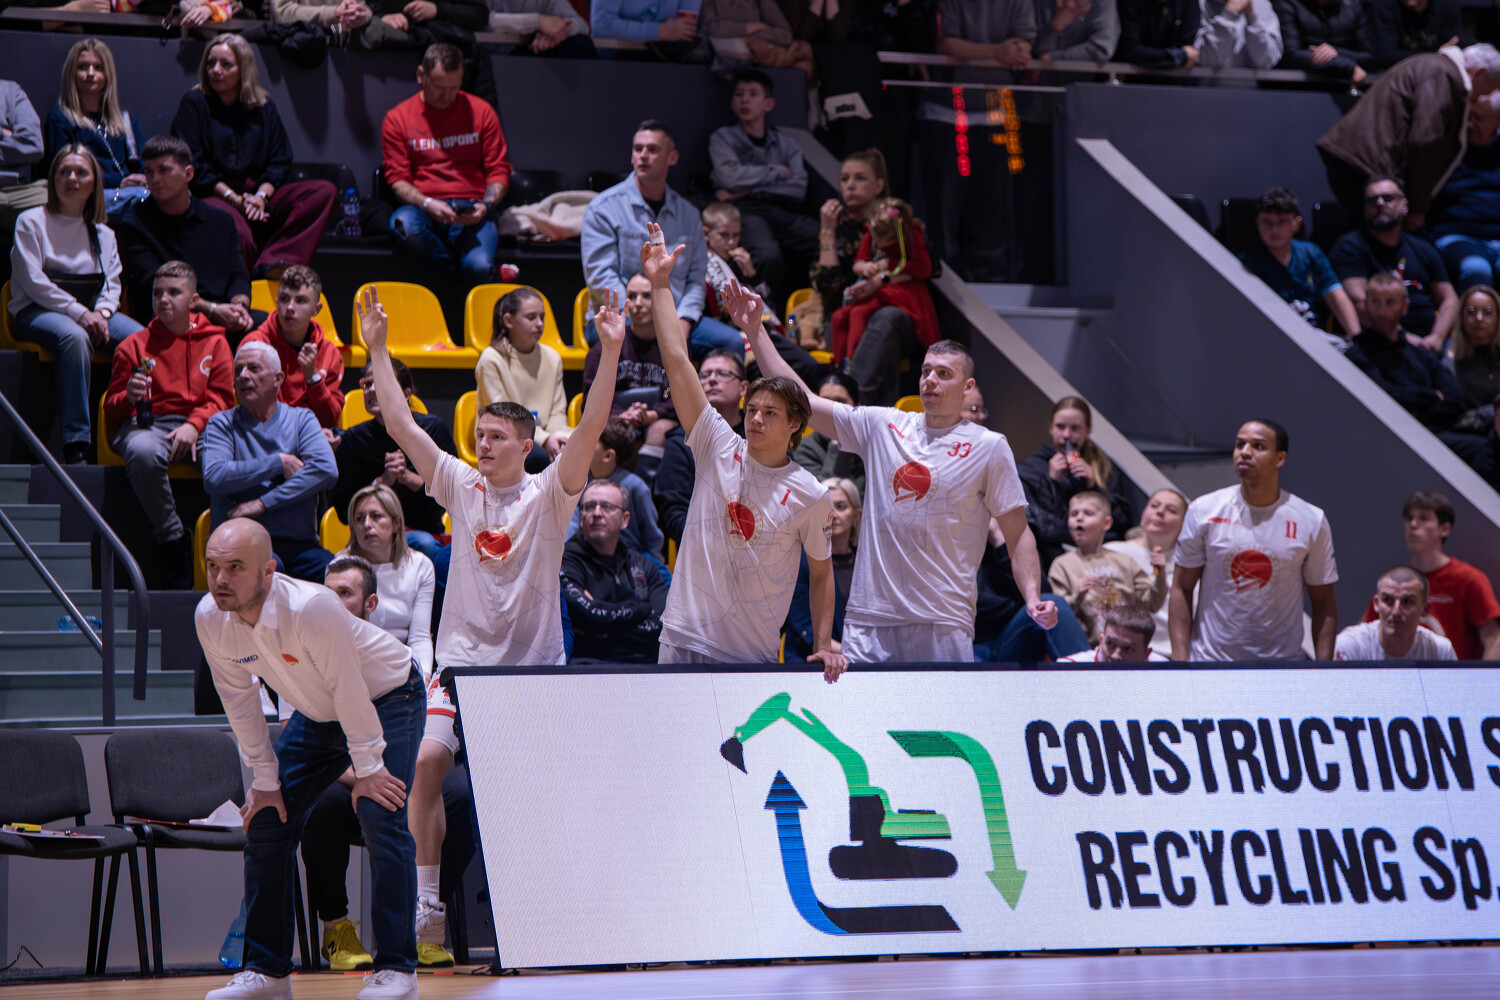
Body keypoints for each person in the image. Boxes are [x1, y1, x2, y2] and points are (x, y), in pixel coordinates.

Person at [354, 275, 623, 969]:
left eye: (497, 436)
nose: (484, 443)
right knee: (425, 763)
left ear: (527, 443)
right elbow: (401, 425)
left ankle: (547, 912)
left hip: (531, 672)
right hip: (462, 665)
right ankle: (429, 905)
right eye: (479, 434)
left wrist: (610, 352)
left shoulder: (551, 493)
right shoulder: (458, 483)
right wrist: (378, 349)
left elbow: (592, 425)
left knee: (533, 798)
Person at [724, 279, 1058, 662]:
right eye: (926, 371)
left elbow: (1017, 532)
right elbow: (806, 401)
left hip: (942, 620)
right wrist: (755, 330)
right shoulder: (884, 425)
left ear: (967, 387)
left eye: (943, 374)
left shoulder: (989, 446)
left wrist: (1032, 597)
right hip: (871, 619)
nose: (930, 380)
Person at [196, 520, 423, 1000]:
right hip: (319, 712)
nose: (220, 579)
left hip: (388, 694)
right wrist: (265, 780)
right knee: (266, 818)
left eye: (235, 567)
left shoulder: (311, 607)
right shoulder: (210, 618)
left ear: (268, 571)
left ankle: (398, 969)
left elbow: (349, 687)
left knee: (380, 812)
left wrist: (369, 769)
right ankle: (268, 971)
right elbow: (239, 701)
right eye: (212, 566)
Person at [641, 226, 842, 674]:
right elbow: (677, 360)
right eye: (752, 410)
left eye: (770, 413)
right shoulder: (716, 443)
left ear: (795, 424)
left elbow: (822, 572)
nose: (755, 419)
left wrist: (824, 643)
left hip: (749, 655)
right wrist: (660, 285)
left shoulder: (810, 493)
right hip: (683, 635)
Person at [300, 553, 462, 976]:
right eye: (327, 594)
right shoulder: (302, 650)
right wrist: (364, 778)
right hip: (346, 775)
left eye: (345, 594)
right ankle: (336, 927)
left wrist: (389, 778)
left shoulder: (393, 656)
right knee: (321, 807)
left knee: (457, 798)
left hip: (395, 775)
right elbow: (297, 742)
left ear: (370, 604)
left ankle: (424, 919)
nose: (333, 603)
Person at [8, 144, 143, 464]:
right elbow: (34, 282)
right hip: (35, 310)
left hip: (91, 312)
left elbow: (111, 285)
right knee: (74, 337)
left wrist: (102, 313)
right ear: (53, 180)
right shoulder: (30, 221)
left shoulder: (103, 233)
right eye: (64, 172)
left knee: (140, 339)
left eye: (81, 172)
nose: (72, 178)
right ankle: (76, 443)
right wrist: (82, 314)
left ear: (94, 182)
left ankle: (139, 423)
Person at [103, 261, 234, 585]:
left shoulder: (216, 342)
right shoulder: (133, 345)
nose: (163, 299)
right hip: (148, 424)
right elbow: (112, 411)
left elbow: (223, 399)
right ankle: (173, 539)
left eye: (174, 292)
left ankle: (227, 543)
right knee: (143, 451)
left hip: (202, 425)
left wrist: (194, 425)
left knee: (227, 459)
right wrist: (128, 397)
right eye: (157, 293)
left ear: (193, 300)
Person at [1169, 419, 1338, 661]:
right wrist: (1179, 661)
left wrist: (1324, 670)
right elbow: (1181, 587)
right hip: (1211, 662)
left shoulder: (1311, 519)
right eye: (1240, 444)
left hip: (1283, 664)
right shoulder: (1203, 510)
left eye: (1258, 446)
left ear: (1280, 458)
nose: (1245, 452)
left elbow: (1323, 602)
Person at [172, 35, 336, 276]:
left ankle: (275, 262)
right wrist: (234, 199)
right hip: (213, 193)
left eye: (226, 64)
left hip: (257, 194)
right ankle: (245, 286)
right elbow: (193, 165)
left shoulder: (264, 107)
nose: (216, 70)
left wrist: (260, 197)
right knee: (238, 232)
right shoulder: (194, 103)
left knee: (323, 192)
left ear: (243, 69)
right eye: (211, 63)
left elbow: (279, 161)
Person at [581, 120, 741, 357]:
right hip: (621, 317)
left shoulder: (689, 214)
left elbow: (696, 279)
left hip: (675, 317)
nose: (643, 155)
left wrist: (685, 319)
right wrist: (644, 320)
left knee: (732, 342)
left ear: (672, 157)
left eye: (653, 149)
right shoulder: (603, 208)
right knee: (640, 345)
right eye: (638, 149)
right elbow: (601, 275)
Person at [1316, 44, 1500, 230]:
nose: (1478, 99)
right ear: (1479, 73)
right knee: (1378, 236)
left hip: (1356, 158)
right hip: (1365, 163)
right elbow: (1426, 140)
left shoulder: (1435, 67)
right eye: (1486, 91)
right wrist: (1418, 208)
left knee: (1371, 234)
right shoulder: (1443, 75)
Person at [202, 340, 339, 583]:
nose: (243, 376)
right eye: (238, 370)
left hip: (300, 546)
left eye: (253, 368)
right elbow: (215, 476)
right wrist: (278, 463)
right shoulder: (221, 423)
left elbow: (326, 470)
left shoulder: (301, 419)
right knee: (272, 576)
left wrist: (263, 503)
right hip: (243, 547)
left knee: (342, 577)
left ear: (278, 378)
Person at [1345, 274, 1498, 482]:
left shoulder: (1421, 355)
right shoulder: (1357, 354)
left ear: (1405, 307)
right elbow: (1385, 397)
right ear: (1365, 305)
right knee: (1484, 449)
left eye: (1390, 302)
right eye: (1375, 302)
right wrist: (1431, 396)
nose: (1381, 311)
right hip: (1394, 437)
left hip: (1437, 433)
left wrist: (1417, 408)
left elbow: (1456, 400)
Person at [925, 0, 1035, 284]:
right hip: (946, 115)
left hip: (999, 115)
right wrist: (997, 52)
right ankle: (942, 285)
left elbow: (1025, 42)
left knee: (993, 217)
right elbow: (946, 43)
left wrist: (1019, 50)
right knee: (945, 218)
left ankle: (990, 288)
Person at [381, 44, 512, 278]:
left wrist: (486, 205)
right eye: (439, 87)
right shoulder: (398, 118)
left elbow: (498, 170)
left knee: (479, 265)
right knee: (403, 225)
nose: (447, 96)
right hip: (425, 206)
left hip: (473, 207)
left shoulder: (481, 111)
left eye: (454, 87)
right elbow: (398, 179)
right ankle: (458, 276)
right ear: (421, 75)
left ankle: (467, 273)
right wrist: (427, 203)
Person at [116, 134, 259, 339]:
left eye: (164, 170)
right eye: (149, 172)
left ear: (188, 173)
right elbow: (153, 285)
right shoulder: (134, 224)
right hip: (169, 317)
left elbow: (238, 275)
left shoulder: (221, 221)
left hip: (221, 312)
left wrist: (239, 308)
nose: (155, 179)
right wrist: (212, 310)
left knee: (267, 326)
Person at [331, 361, 458, 587]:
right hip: (372, 536)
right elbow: (343, 510)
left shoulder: (432, 430)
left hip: (425, 531)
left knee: (431, 547)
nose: (371, 390)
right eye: (367, 383)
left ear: (406, 394)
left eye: (380, 382)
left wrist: (409, 478)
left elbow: (454, 495)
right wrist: (381, 482)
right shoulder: (354, 439)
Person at [809, 149, 917, 407]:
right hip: (846, 316)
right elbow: (828, 287)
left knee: (885, 320)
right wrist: (827, 234)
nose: (850, 185)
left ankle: (849, 400)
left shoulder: (896, 221)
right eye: (845, 179)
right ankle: (870, 417)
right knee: (876, 342)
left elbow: (928, 265)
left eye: (860, 178)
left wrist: (881, 278)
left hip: (893, 309)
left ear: (878, 185)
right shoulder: (837, 228)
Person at [707, 70, 818, 306]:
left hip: (782, 209)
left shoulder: (787, 144)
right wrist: (777, 172)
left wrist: (747, 188)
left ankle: (816, 307)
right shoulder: (723, 138)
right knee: (767, 254)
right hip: (746, 211)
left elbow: (798, 187)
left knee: (821, 237)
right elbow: (729, 178)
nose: (744, 100)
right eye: (739, 94)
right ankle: (767, 315)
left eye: (753, 94)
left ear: (768, 103)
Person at [1360, 491, 1500, 660]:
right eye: (1409, 518)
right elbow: (1365, 633)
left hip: (1452, 673)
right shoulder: (1395, 583)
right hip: (1400, 672)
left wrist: (1477, 677)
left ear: (1444, 529)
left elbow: (1494, 639)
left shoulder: (1468, 579)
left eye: (1423, 518)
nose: (1413, 524)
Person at [1329, 176, 1457, 353]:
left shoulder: (1423, 248)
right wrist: (1408, 340)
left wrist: (1437, 338)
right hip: (1381, 344)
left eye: (1388, 198)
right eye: (1372, 200)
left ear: (1405, 206)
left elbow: (1450, 299)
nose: (1380, 203)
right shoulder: (1349, 248)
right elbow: (1360, 304)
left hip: (1431, 343)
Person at [1017, 396, 1134, 572]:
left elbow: (1124, 524)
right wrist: (1053, 483)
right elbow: (1044, 529)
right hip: (1056, 563)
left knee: (1107, 591)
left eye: (1075, 428)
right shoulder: (1032, 469)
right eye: (1060, 427)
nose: (1067, 435)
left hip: (1102, 561)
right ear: (1050, 428)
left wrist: (1093, 487)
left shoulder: (1103, 469)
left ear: (1088, 431)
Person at [561, 477, 671, 662]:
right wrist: (641, 609)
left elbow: (662, 625)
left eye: (607, 507)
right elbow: (588, 616)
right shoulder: (567, 560)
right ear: (581, 518)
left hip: (643, 666)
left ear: (624, 519)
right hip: (587, 667)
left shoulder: (645, 565)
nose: (597, 513)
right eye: (589, 507)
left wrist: (602, 623)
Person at [582, 272, 677, 477]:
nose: (638, 304)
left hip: (656, 419)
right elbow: (589, 398)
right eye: (632, 296)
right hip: (615, 419)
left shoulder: (672, 346)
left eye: (646, 296)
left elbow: (680, 395)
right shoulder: (605, 345)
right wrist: (623, 415)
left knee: (663, 429)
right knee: (613, 433)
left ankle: (645, 489)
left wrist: (650, 415)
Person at [1238, 186, 1359, 344]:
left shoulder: (1311, 252)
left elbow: (1334, 293)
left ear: (1296, 223)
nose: (1274, 229)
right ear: (1257, 223)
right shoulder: (1248, 262)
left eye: (1282, 222)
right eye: (1267, 222)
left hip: (1316, 335)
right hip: (1273, 337)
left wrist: (1357, 339)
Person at [44, 39, 149, 220]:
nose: (91, 74)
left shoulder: (125, 120)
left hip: (132, 193)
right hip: (90, 197)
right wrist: (121, 182)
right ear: (72, 73)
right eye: (83, 67)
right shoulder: (61, 119)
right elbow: (62, 173)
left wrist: (143, 178)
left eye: (98, 68)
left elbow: (145, 162)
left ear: (108, 74)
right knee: (142, 199)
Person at [829, 198, 939, 367]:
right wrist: (865, 267)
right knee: (838, 316)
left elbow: (924, 269)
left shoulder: (910, 234)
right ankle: (839, 366)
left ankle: (852, 367)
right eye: (877, 240)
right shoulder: (872, 231)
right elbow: (858, 263)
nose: (879, 245)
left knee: (859, 312)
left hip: (903, 291)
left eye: (886, 243)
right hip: (875, 288)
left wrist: (888, 264)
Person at [652, 348, 746, 544]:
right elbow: (673, 515)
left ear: (743, 388)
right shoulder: (680, 442)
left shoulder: (761, 436)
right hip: (703, 550)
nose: (712, 380)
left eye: (723, 373)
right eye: (704, 375)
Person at [1047, 490, 1165, 644]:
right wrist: (1077, 596)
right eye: (1074, 514)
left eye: (1088, 513)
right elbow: (1056, 613)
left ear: (1106, 523)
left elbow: (1152, 603)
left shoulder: (1125, 561)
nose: (1079, 518)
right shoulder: (1062, 564)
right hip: (1086, 646)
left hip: (1126, 643)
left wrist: (1160, 574)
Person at [344, 485, 436, 677]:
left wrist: (424, 677)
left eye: (376, 516)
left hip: (403, 665)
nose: (367, 524)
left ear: (396, 524)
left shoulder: (421, 566)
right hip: (356, 665)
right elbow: (341, 636)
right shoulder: (341, 568)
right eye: (359, 519)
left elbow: (419, 637)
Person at [474, 286, 568, 470]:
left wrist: (558, 438)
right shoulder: (491, 359)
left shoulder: (553, 357)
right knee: (535, 456)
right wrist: (545, 439)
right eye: (531, 317)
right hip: (500, 437)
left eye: (542, 317)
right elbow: (503, 418)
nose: (539, 324)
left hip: (543, 436)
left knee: (588, 447)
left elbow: (557, 411)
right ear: (509, 321)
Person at [241, 266, 345, 430]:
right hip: (264, 433)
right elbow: (252, 409)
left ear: (316, 309)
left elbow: (330, 420)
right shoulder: (254, 345)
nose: (289, 307)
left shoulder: (330, 353)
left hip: (312, 435)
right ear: (276, 302)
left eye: (300, 301)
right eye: (284, 299)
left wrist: (313, 377)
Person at [1105, 487, 1188, 658]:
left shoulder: (1189, 562)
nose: (1160, 512)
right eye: (1154, 506)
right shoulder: (1112, 553)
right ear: (1143, 515)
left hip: (1173, 655)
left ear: (1184, 524)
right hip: (1122, 652)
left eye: (1171, 510)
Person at [1430, 91, 1500, 292]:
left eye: (1478, 118)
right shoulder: (1448, 151)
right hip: (1456, 235)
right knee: (1476, 268)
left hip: (1497, 237)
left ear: (1497, 120)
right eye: (1467, 116)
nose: (1469, 124)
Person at [565, 417, 664, 559]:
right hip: (589, 556)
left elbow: (652, 536)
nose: (584, 443)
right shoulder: (579, 481)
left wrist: (653, 564)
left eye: (592, 440)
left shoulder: (636, 486)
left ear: (608, 456)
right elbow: (572, 527)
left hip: (631, 558)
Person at [783, 476, 858, 661]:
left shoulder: (864, 563)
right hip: (809, 662)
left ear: (857, 515)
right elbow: (803, 627)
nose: (834, 514)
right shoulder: (800, 561)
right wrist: (855, 653)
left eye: (841, 507)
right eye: (827, 507)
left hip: (857, 663)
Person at [1336, 565, 1457, 660]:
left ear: (1425, 609)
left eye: (1407, 602)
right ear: (1376, 604)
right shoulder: (1351, 646)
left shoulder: (1440, 651)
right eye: (1388, 600)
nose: (1396, 612)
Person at [792, 371, 865, 498]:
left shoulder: (871, 444)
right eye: (824, 402)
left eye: (840, 402)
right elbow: (824, 496)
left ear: (858, 408)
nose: (831, 410)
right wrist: (836, 446)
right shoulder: (805, 448)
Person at [701, 0, 813, 76]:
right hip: (724, 61)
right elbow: (710, 27)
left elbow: (784, 35)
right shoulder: (710, 2)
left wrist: (748, 37)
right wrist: (748, 27)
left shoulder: (761, 2)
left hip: (763, 54)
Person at [1270, 0, 1371, 82]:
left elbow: (1370, 57)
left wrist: (1336, 52)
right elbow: (1292, 54)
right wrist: (1347, 66)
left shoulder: (1353, 5)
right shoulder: (1287, 4)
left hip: (1344, 87)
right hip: (1298, 88)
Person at [589, 0, 709, 61]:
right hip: (614, 62)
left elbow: (686, 29)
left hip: (669, 61)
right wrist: (658, 31)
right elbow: (601, 24)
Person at [0, 80, 46, 229]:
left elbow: (33, 145)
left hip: (21, 190)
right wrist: (4, 134)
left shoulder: (10, 90)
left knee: (61, 200)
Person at [1364, 0, 1458, 69]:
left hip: (1437, 71)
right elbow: (1386, 57)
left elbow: (1454, 47)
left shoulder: (1446, 5)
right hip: (1396, 73)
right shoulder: (1383, 5)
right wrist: (1436, 54)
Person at [1057, 605, 1170, 662]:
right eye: (1111, 644)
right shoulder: (1069, 669)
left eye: (1128, 649)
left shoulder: (1166, 672)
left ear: (1146, 653)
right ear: (1101, 641)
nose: (1115, 656)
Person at [485, 0, 595, 56]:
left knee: (581, 45)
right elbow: (482, 20)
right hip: (487, 61)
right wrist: (537, 21)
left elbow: (582, 25)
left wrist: (556, 31)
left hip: (528, 60)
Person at [1194, 0, 1282, 68]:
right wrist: (1229, 14)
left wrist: (1253, 19)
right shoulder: (1196, 4)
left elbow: (1268, 60)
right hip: (1203, 85)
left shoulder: (1261, 4)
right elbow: (1206, 60)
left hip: (1249, 85)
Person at [1115, 0, 1201, 68]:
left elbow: (1189, 51)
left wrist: (1181, 56)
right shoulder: (1131, 2)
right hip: (1133, 78)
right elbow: (1130, 51)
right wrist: (1179, 56)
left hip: (1177, 80)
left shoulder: (1187, 3)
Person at [1454, 285, 1500, 411]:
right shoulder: (1450, 364)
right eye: (1471, 311)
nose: (1479, 318)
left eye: (1488, 312)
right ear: (1461, 317)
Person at [1034, 0, 1121, 63]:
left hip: (1083, 80)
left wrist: (1052, 57)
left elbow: (1101, 49)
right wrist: (1053, 29)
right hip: (1036, 79)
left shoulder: (1103, 2)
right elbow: (1031, 46)